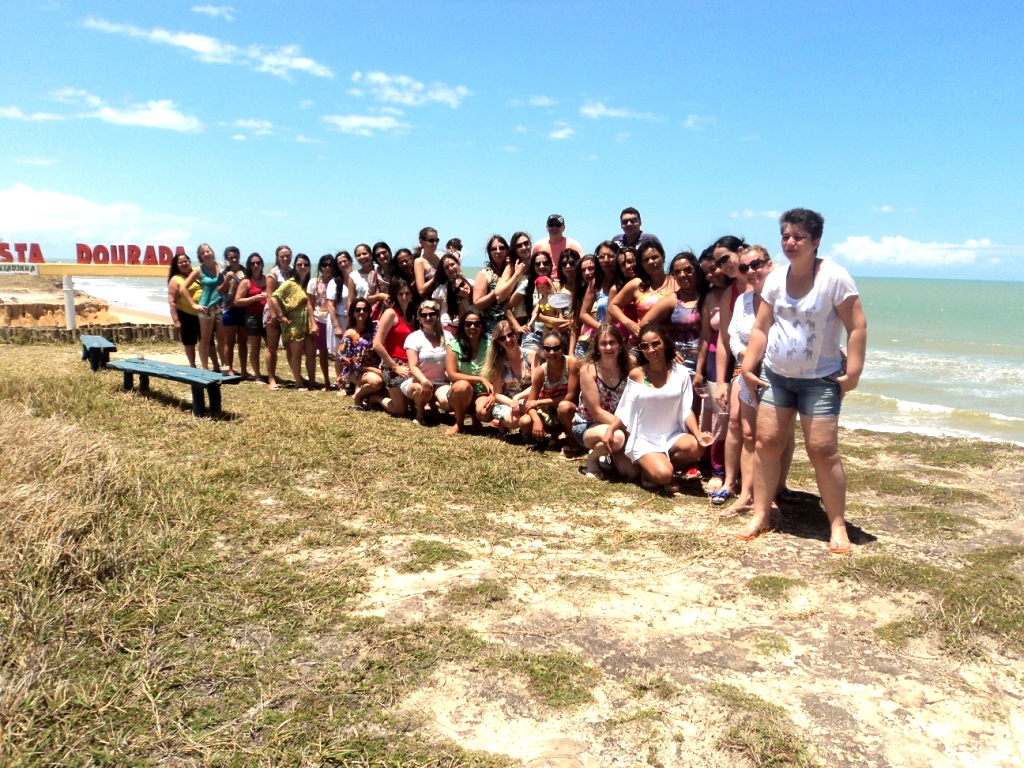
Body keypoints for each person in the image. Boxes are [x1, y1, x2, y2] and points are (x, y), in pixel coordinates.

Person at [738, 208, 867, 554]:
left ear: (816, 242)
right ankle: (762, 514)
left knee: (822, 451)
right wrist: (749, 368)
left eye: (798, 237)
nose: (791, 242)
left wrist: (853, 373)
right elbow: (762, 328)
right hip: (776, 377)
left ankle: (837, 524)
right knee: (766, 443)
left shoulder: (835, 277)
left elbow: (857, 326)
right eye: (786, 236)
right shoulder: (776, 280)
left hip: (819, 379)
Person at [718, 246, 794, 517]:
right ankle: (746, 495)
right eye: (745, 267)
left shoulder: (785, 299)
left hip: (777, 373)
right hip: (747, 369)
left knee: (771, 436)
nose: (751, 271)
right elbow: (732, 334)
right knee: (748, 433)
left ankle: (768, 494)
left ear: (769, 265)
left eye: (757, 265)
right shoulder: (744, 300)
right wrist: (747, 357)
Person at [604, 323, 706, 495]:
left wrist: (698, 434)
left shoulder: (681, 373)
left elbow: (686, 409)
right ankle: (653, 467)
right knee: (664, 476)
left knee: (697, 447)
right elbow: (625, 408)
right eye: (645, 346)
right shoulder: (637, 374)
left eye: (655, 344)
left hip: (672, 436)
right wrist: (611, 430)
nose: (651, 350)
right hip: (644, 439)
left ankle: (656, 464)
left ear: (664, 343)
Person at [573, 324, 637, 480]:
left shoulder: (630, 365)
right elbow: (596, 411)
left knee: (632, 473)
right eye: (603, 343)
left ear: (620, 344)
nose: (608, 347)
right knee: (618, 437)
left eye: (612, 342)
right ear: (597, 347)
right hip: (589, 425)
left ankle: (609, 455)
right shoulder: (588, 370)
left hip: (619, 425)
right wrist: (629, 428)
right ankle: (593, 459)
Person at [645, 251, 707, 379]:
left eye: (688, 270)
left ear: (697, 269)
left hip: (711, 358)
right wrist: (668, 349)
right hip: (682, 361)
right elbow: (645, 323)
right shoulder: (673, 300)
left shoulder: (709, 295)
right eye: (677, 272)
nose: (683, 275)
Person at [520, 329, 580, 454]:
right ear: (543, 350)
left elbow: (571, 397)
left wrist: (540, 402)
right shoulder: (541, 372)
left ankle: (573, 441)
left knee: (564, 407)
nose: (551, 352)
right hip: (550, 414)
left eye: (556, 348)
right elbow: (530, 403)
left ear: (562, 348)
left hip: (568, 412)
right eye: (547, 348)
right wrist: (536, 420)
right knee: (525, 421)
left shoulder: (571, 364)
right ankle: (548, 438)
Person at [607, 240, 675, 341]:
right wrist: (628, 323)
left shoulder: (676, 282)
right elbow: (612, 306)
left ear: (663, 257)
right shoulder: (637, 284)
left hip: (673, 343)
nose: (651, 262)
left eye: (655, 257)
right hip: (642, 343)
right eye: (646, 260)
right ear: (641, 264)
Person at [269, 253, 316, 390]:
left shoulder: (309, 283)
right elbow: (274, 298)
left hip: (307, 322)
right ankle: (298, 382)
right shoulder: (290, 283)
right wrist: (281, 316)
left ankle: (312, 381)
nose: (303, 267)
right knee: (296, 354)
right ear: (294, 266)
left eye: (306, 264)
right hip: (294, 323)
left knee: (311, 353)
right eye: (299, 264)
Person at [403, 299, 453, 425]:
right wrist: (424, 381)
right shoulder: (414, 337)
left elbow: (451, 363)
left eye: (432, 314)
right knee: (421, 390)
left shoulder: (448, 336)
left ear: (437, 316)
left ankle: (431, 402)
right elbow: (413, 366)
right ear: (419, 317)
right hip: (417, 381)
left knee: (447, 403)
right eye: (424, 315)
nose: (428, 317)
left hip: (440, 382)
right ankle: (420, 413)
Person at [444, 309, 493, 436]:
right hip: (460, 393)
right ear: (463, 326)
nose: (473, 327)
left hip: (482, 393)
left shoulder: (490, 345)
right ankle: (459, 423)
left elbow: (498, 371)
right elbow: (452, 374)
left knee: (485, 414)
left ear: (482, 326)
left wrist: (495, 394)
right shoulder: (453, 345)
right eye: (468, 324)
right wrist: (480, 379)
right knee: (462, 386)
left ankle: (476, 417)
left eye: (477, 324)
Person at [372, 277, 417, 416]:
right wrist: (394, 366)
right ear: (395, 295)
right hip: (394, 365)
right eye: (400, 294)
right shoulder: (390, 313)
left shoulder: (412, 315)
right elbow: (377, 344)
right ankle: (376, 398)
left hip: (410, 364)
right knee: (401, 412)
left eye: (407, 293)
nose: (404, 297)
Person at [484, 319, 533, 433]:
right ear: (498, 342)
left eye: (510, 334)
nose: (508, 339)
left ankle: (525, 428)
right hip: (508, 402)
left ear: (515, 333)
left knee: (526, 419)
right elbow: (497, 394)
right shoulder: (498, 362)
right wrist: (512, 403)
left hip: (529, 400)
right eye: (502, 338)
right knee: (514, 420)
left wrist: (518, 398)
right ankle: (516, 425)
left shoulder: (531, 355)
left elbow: (537, 386)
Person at [183, 243, 224, 372]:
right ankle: (205, 369)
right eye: (203, 253)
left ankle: (224, 368)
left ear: (212, 252)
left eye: (208, 251)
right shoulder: (199, 270)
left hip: (221, 305)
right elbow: (183, 287)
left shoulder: (222, 266)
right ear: (200, 256)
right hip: (206, 307)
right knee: (205, 339)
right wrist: (193, 305)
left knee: (222, 339)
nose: (206, 254)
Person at [338, 297, 383, 409]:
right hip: (358, 370)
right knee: (376, 382)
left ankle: (371, 399)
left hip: (378, 367)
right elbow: (343, 357)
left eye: (365, 309)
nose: (362, 312)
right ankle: (358, 397)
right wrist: (370, 369)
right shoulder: (349, 334)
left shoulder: (375, 327)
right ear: (353, 313)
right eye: (358, 309)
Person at [473, 235, 520, 335]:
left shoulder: (515, 270)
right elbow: (477, 304)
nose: (498, 251)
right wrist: (498, 290)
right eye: (494, 249)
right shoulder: (484, 274)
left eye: (502, 248)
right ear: (490, 253)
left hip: (514, 323)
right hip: (492, 326)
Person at [234, 253, 268, 383]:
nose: (256, 265)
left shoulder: (266, 279)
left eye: (258, 263)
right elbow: (237, 301)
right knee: (255, 347)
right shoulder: (246, 282)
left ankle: (270, 373)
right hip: (252, 316)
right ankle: (257, 375)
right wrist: (254, 298)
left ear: (262, 264)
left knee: (270, 346)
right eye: (253, 263)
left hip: (267, 316)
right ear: (249, 265)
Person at [264, 245, 293, 391]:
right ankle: (271, 378)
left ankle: (296, 376)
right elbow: (270, 295)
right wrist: (274, 314)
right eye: (282, 256)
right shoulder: (273, 273)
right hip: (274, 312)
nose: (286, 258)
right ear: (277, 257)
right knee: (272, 346)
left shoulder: (293, 270)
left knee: (290, 347)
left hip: (289, 313)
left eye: (288, 255)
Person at [167, 252, 202, 367]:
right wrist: (176, 321)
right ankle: (193, 365)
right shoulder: (175, 279)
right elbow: (172, 301)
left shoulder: (197, 273)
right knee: (189, 342)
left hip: (203, 313)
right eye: (180, 262)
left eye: (185, 261)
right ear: (176, 265)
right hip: (186, 314)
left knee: (208, 341)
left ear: (190, 262)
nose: (184, 263)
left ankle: (213, 366)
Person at [218, 246, 248, 377]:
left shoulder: (246, 272)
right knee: (229, 341)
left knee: (243, 342)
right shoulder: (224, 273)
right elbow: (220, 291)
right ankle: (229, 368)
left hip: (244, 309)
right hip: (229, 310)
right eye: (231, 257)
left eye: (236, 256)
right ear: (227, 259)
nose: (234, 259)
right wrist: (227, 279)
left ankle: (243, 370)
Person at [308, 254, 336, 388]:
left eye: (330, 265)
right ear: (320, 267)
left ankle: (341, 380)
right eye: (325, 265)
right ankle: (326, 381)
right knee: (323, 353)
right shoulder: (314, 282)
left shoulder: (337, 281)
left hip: (334, 320)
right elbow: (310, 304)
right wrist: (313, 322)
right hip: (320, 319)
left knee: (339, 352)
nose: (327, 268)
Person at [414, 226, 442, 298]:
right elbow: (421, 290)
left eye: (437, 240)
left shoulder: (441, 258)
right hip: (431, 303)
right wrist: (437, 277)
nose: (435, 243)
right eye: (431, 240)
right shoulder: (419, 262)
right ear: (421, 242)